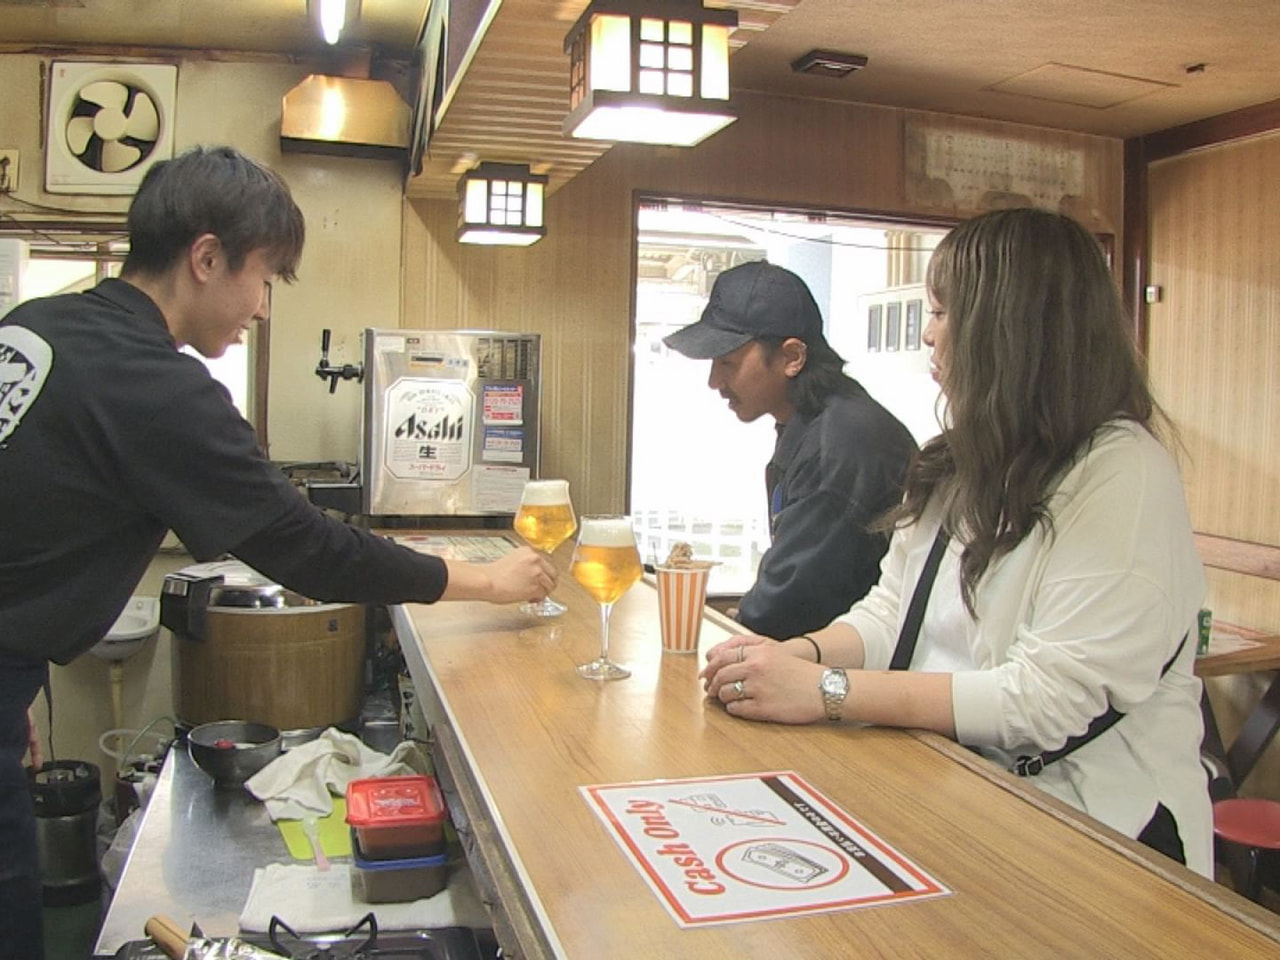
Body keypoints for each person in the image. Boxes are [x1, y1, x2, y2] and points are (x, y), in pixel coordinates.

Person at [0, 145, 555, 960]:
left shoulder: (36, 327)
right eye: (264, 279)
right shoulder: (154, 386)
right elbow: (305, 548)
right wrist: (485, 581)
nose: (262, 308)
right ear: (206, 258)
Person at [701, 209, 1212, 876]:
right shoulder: (963, 460)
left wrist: (826, 689)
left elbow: (1043, 700)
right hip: (960, 794)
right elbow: (893, 612)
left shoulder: (1122, 472)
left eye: (942, 312)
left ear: (1012, 327)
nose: (927, 332)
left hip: (1098, 836)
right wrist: (794, 656)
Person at [663, 260, 917, 640]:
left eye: (728, 362)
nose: (714, 381)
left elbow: (794, 601)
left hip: (852, 665)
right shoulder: (816, 418)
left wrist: (748, 623)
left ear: (793, 357)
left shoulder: (840, 443)